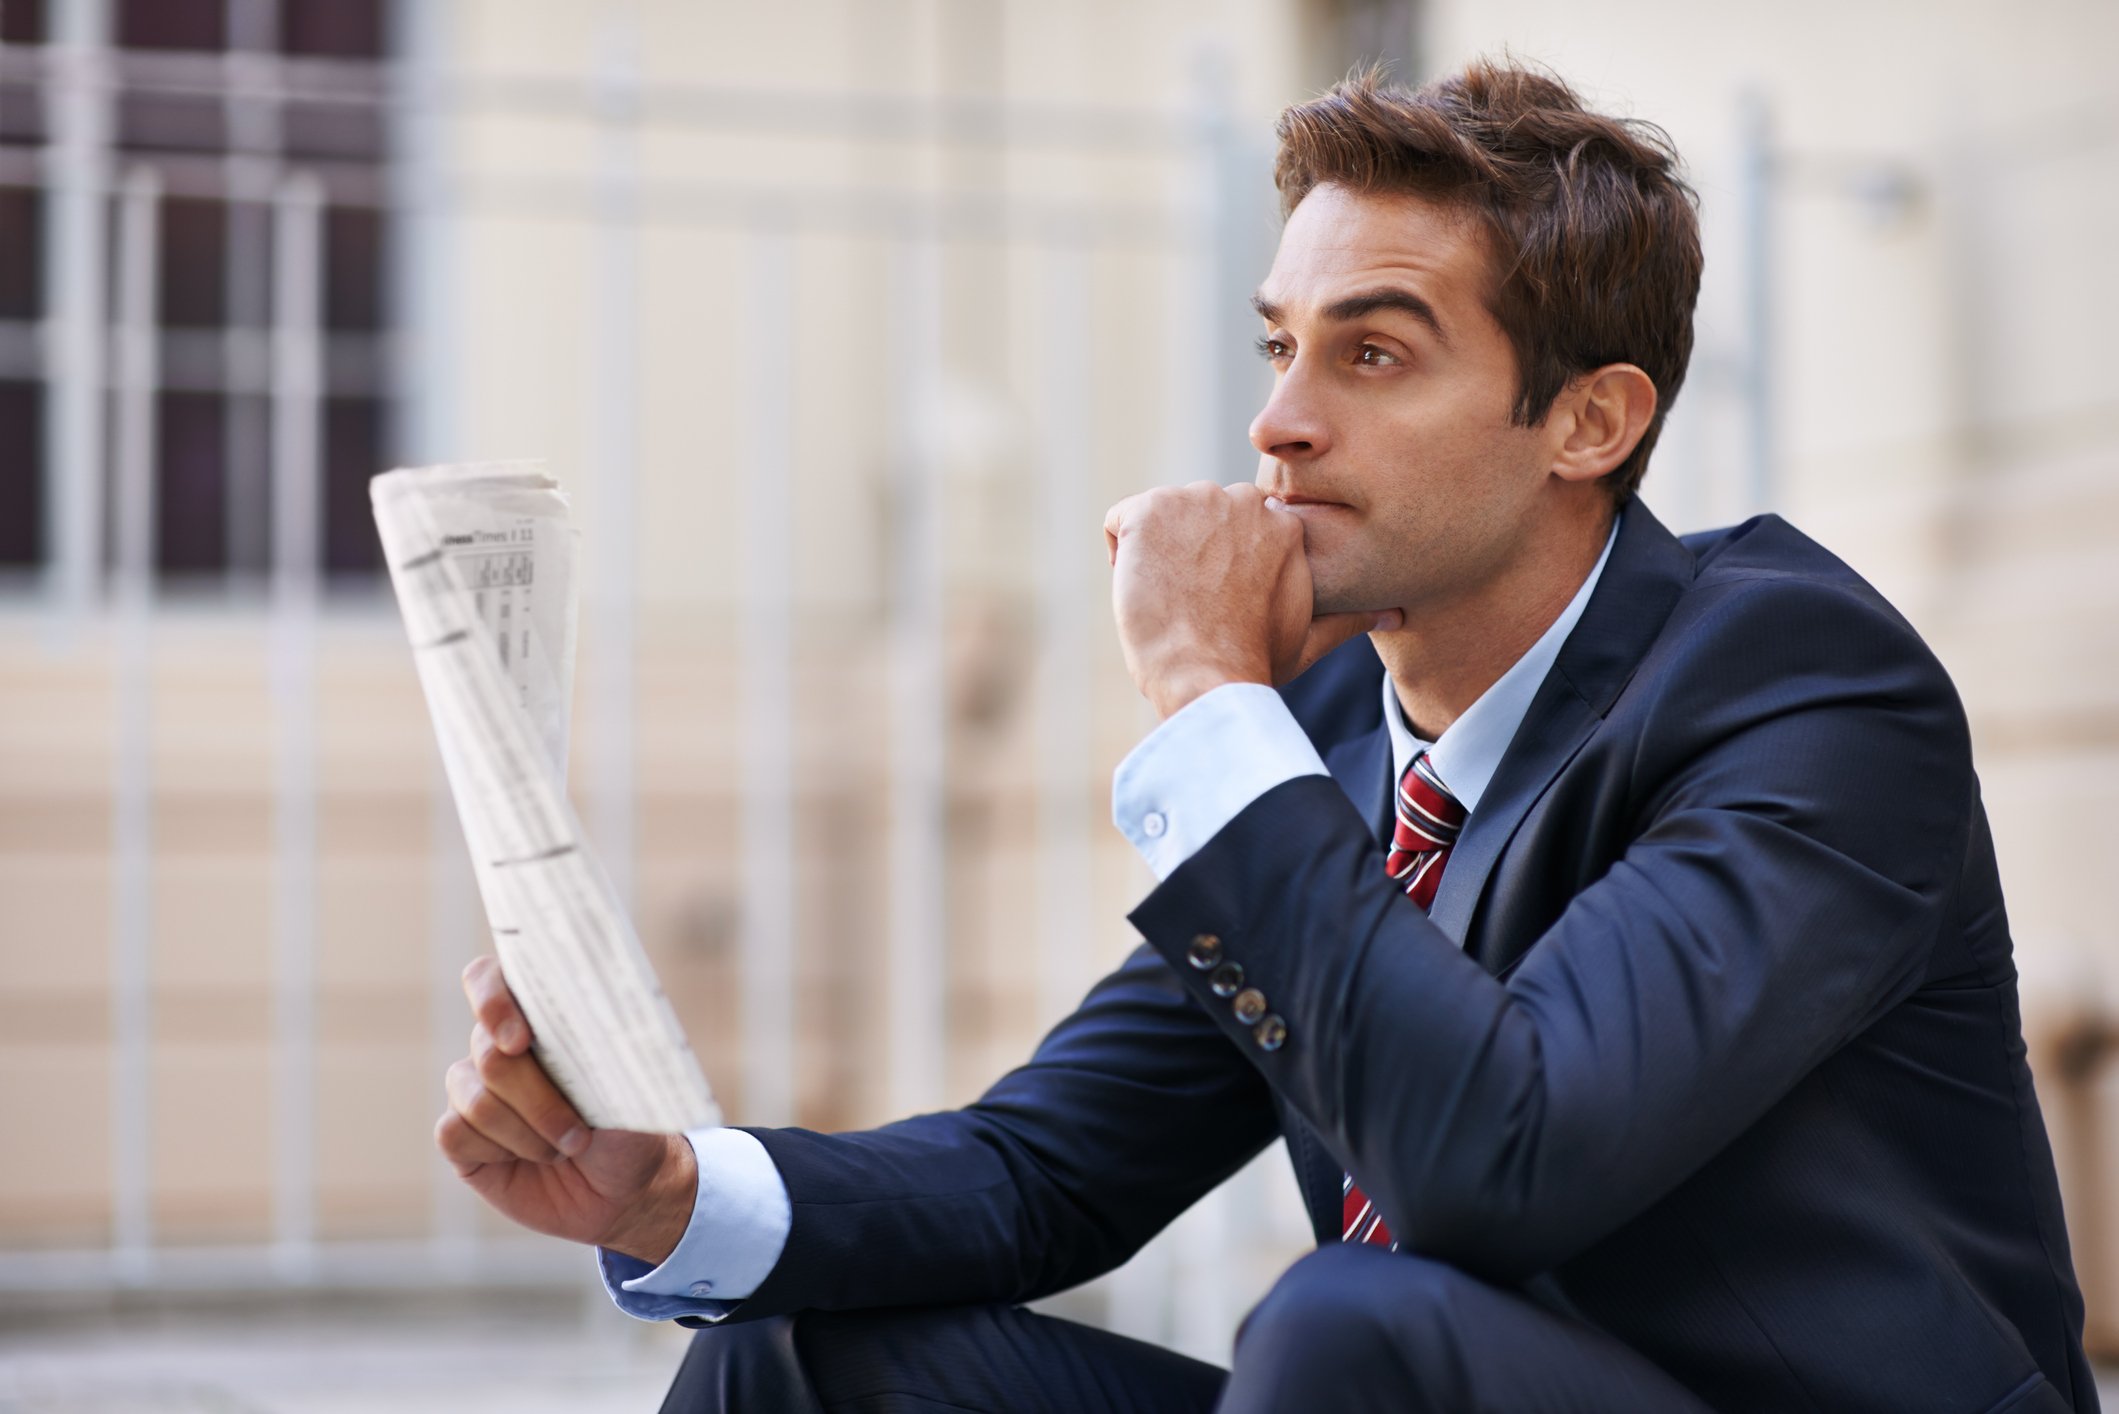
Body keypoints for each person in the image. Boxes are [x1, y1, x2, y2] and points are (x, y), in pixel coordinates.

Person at [434, 60, 2098, 1412]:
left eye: (1372, 352)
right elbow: (1047, 1173)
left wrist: (1211, 706)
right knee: (795, 1357)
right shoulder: (1331, 729)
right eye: (1280, 345)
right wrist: (668, 1191)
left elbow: (1496, 1160)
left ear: (1590, 420)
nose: (1279, 422)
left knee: (1343, 1329)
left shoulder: (1800, 686)